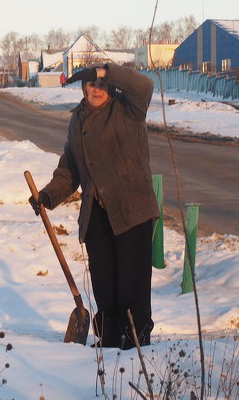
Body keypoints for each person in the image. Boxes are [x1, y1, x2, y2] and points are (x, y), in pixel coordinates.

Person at [30, 63, 159, 349]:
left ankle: (136, 339)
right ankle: (110, 338)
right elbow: (70, 169)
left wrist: (105, 71)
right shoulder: (78, 121)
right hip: (97, 214)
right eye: (89, 85)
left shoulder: (129, 110)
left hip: (130, 210)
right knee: (104, 282)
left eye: (100, 85)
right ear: (83, 88)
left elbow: (144, 86)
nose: (95, 90)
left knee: (131, 281)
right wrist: (47, 196)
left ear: (110, 86)